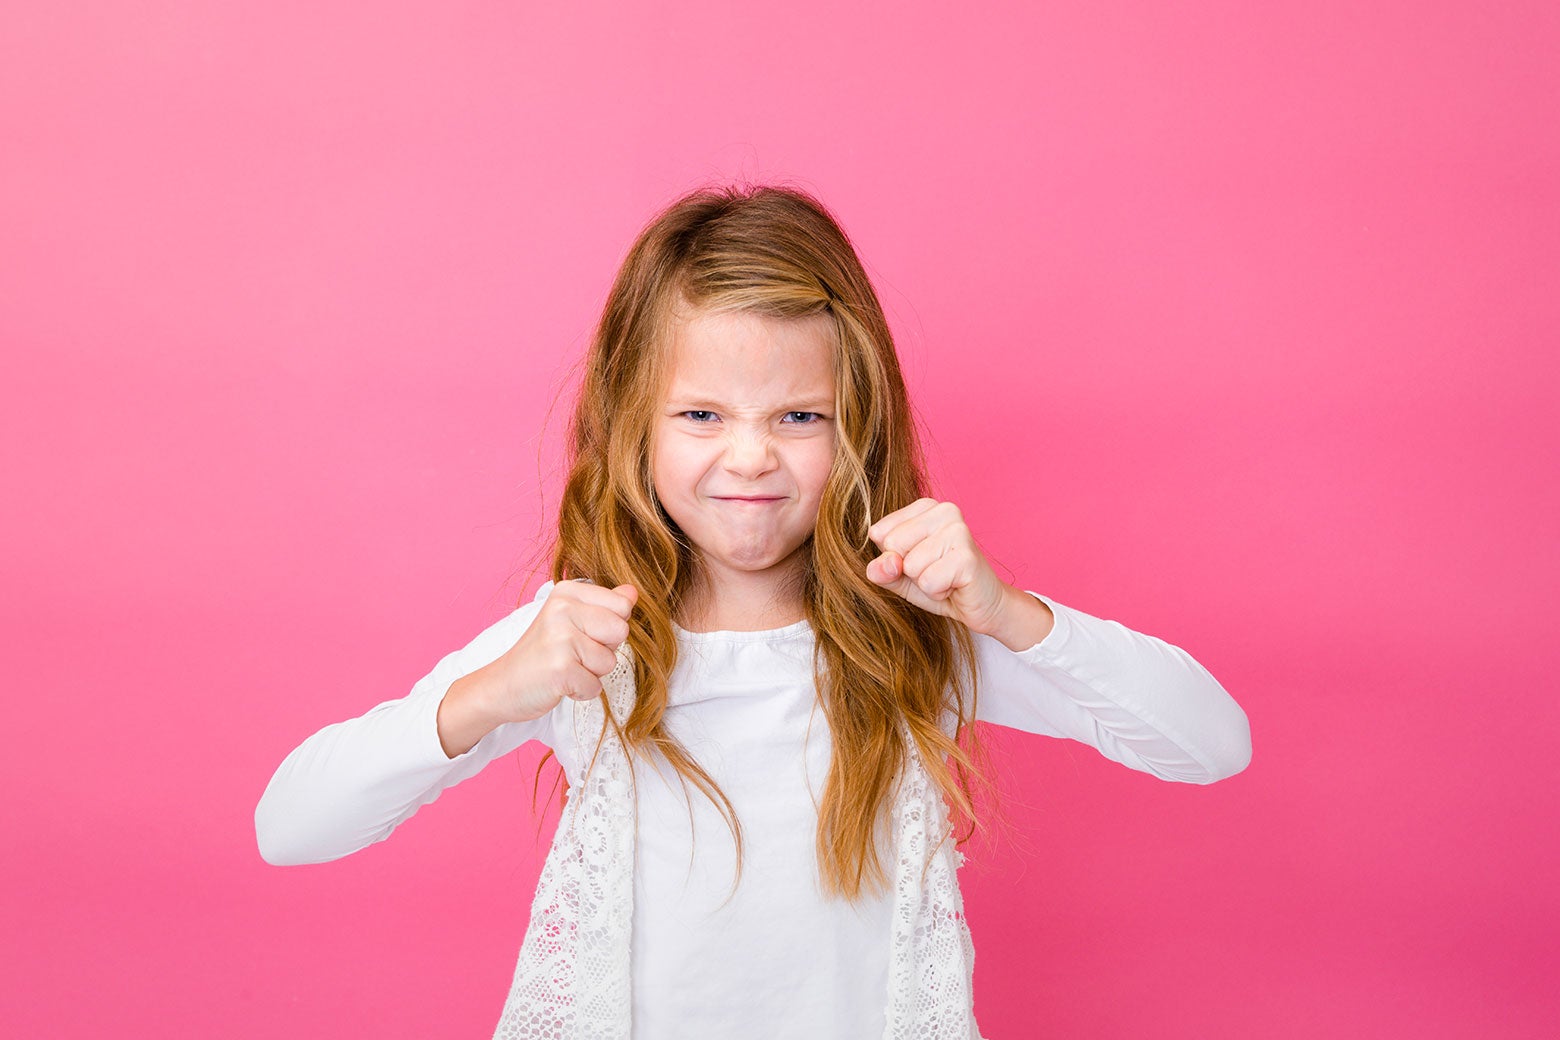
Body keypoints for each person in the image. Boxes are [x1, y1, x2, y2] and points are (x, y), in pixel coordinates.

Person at [255, 183, 1252, 1040]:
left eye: (797, 416)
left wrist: (1006, 612)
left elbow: (1210, 740)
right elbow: (290, 823)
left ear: (854, 425)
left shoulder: (918, 631)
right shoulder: (587, 642)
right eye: (701, 414)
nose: (748, 456)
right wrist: (491, 692)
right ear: (633, 421)